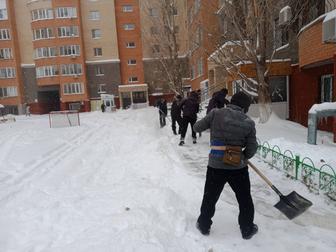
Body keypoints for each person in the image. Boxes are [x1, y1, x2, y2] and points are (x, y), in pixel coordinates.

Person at [193, 91, 258, 240]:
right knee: (244, 198)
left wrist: (211, 124)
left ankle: (204, 225)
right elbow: (252, 147)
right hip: (238, 167)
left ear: (231, 101)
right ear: (245, 107)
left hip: (216, 166)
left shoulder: (216, 113)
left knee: (210, 197)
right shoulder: (248, 122)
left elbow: (197, 127)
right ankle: (247, 229)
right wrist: (243, 156)